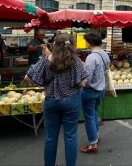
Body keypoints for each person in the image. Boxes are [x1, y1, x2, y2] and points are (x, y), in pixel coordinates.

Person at [23, 34, 88, 166]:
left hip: (51, 101)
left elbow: (28, 77)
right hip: (71, 101)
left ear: (55, 45)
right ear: (72, 45)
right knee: (70, 137)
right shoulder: (75, 61)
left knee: (50, 138)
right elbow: (83, 83)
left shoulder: (46, 60)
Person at [80, 31, 110, 154]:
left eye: (86, 40)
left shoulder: (91, 57)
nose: (85, 42)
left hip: (90, 91)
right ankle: (96, 136)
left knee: (89, 117)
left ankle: (93, 144)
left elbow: (87, 79)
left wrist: (80, 81)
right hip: (101, 89)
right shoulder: (104, 54)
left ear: (90, 42)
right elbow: (105, 68)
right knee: (94, 114)